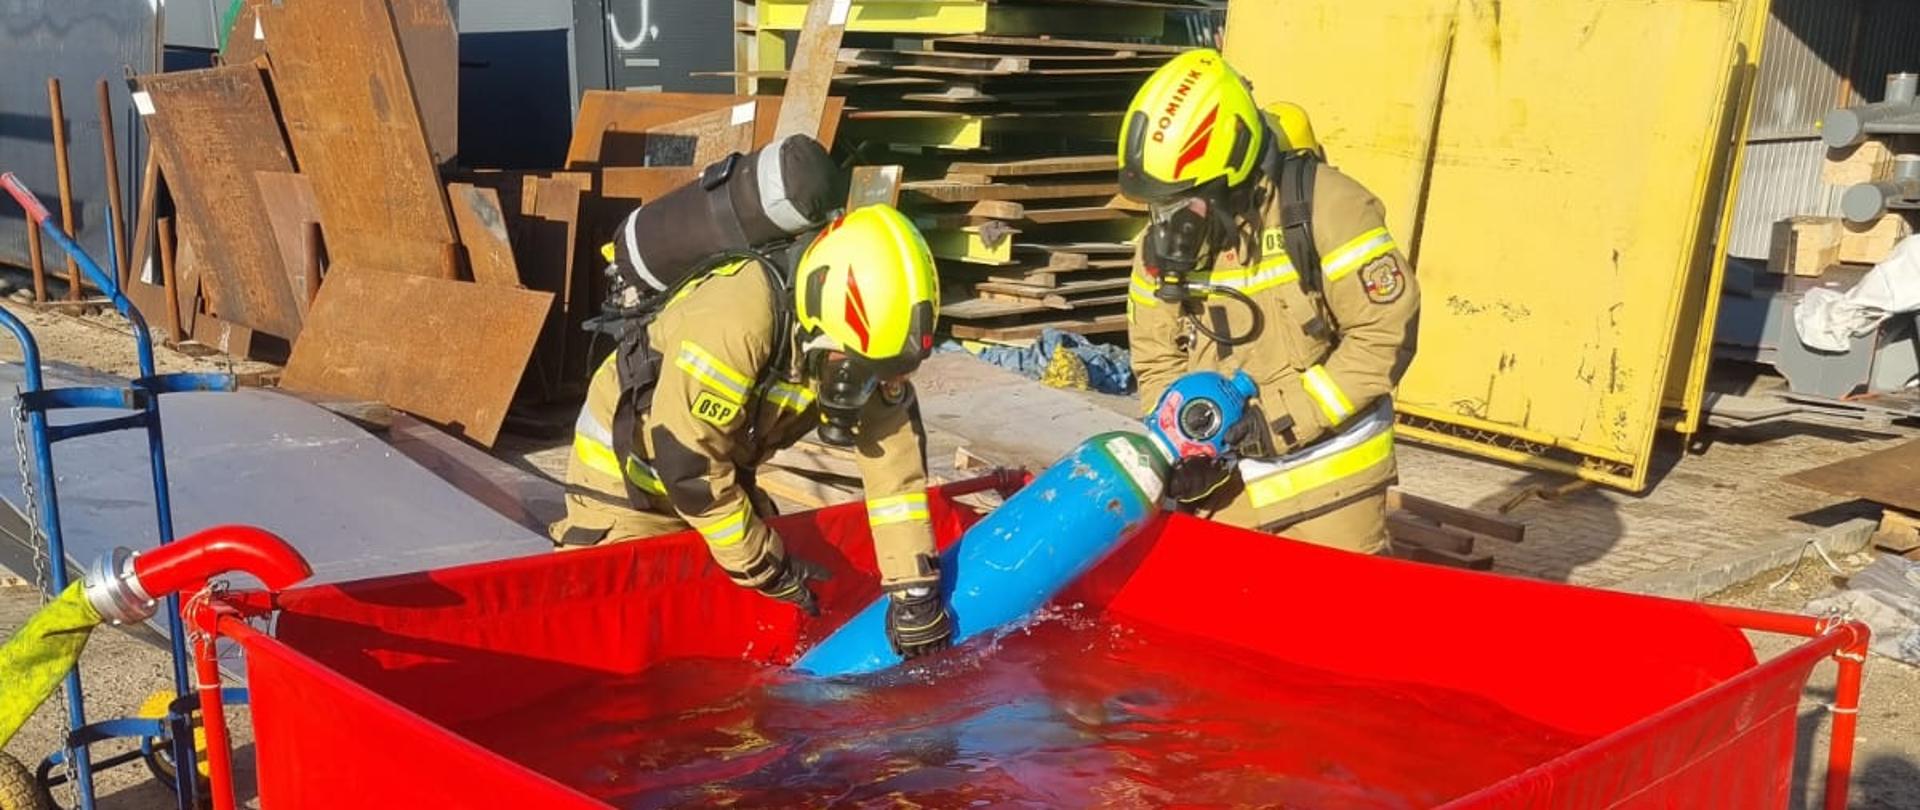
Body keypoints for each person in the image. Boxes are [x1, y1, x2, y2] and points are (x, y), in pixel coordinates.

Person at [548, 203, 955, 659]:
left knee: (749, 636)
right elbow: (689, 469)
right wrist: (763, 565)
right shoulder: (735, 322)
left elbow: (895, 480)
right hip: (626, 489)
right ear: (820, 326)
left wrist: (914, 595)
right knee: (638, 643)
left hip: (723, 471)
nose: (867, 390)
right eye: (857, 372)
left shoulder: (867, 349)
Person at [1120, 49, 1420, 554]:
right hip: (1225, 489)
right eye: (1158, 203)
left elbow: (1382, 334)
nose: (1168, 220)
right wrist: (1183, 439)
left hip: (1332, 485)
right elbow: (1154, 359)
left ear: (1231, 170)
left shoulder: (1332, 210)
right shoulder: (1162, 244)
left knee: (1339, 626)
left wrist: (1279, 420)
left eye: (1182, 198)